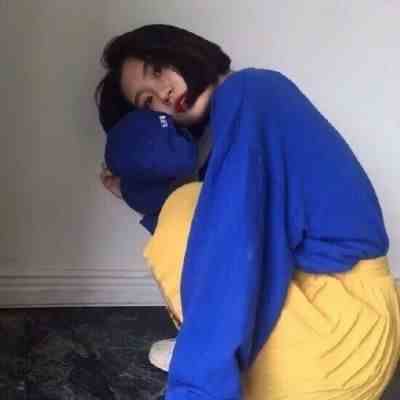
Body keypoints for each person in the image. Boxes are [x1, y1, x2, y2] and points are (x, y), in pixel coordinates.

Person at [96, 25, 400, 399]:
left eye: (157, 71)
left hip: (340, 337)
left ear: (184, 50)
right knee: (194, 210)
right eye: (147, 102)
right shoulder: (236, 120)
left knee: (185, 210)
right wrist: (133, 190)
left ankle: (208, 369)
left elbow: (229, 251)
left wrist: (197, 391)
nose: (163, 94)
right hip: (351, 337)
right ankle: (211, 356)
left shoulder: (250, 92)